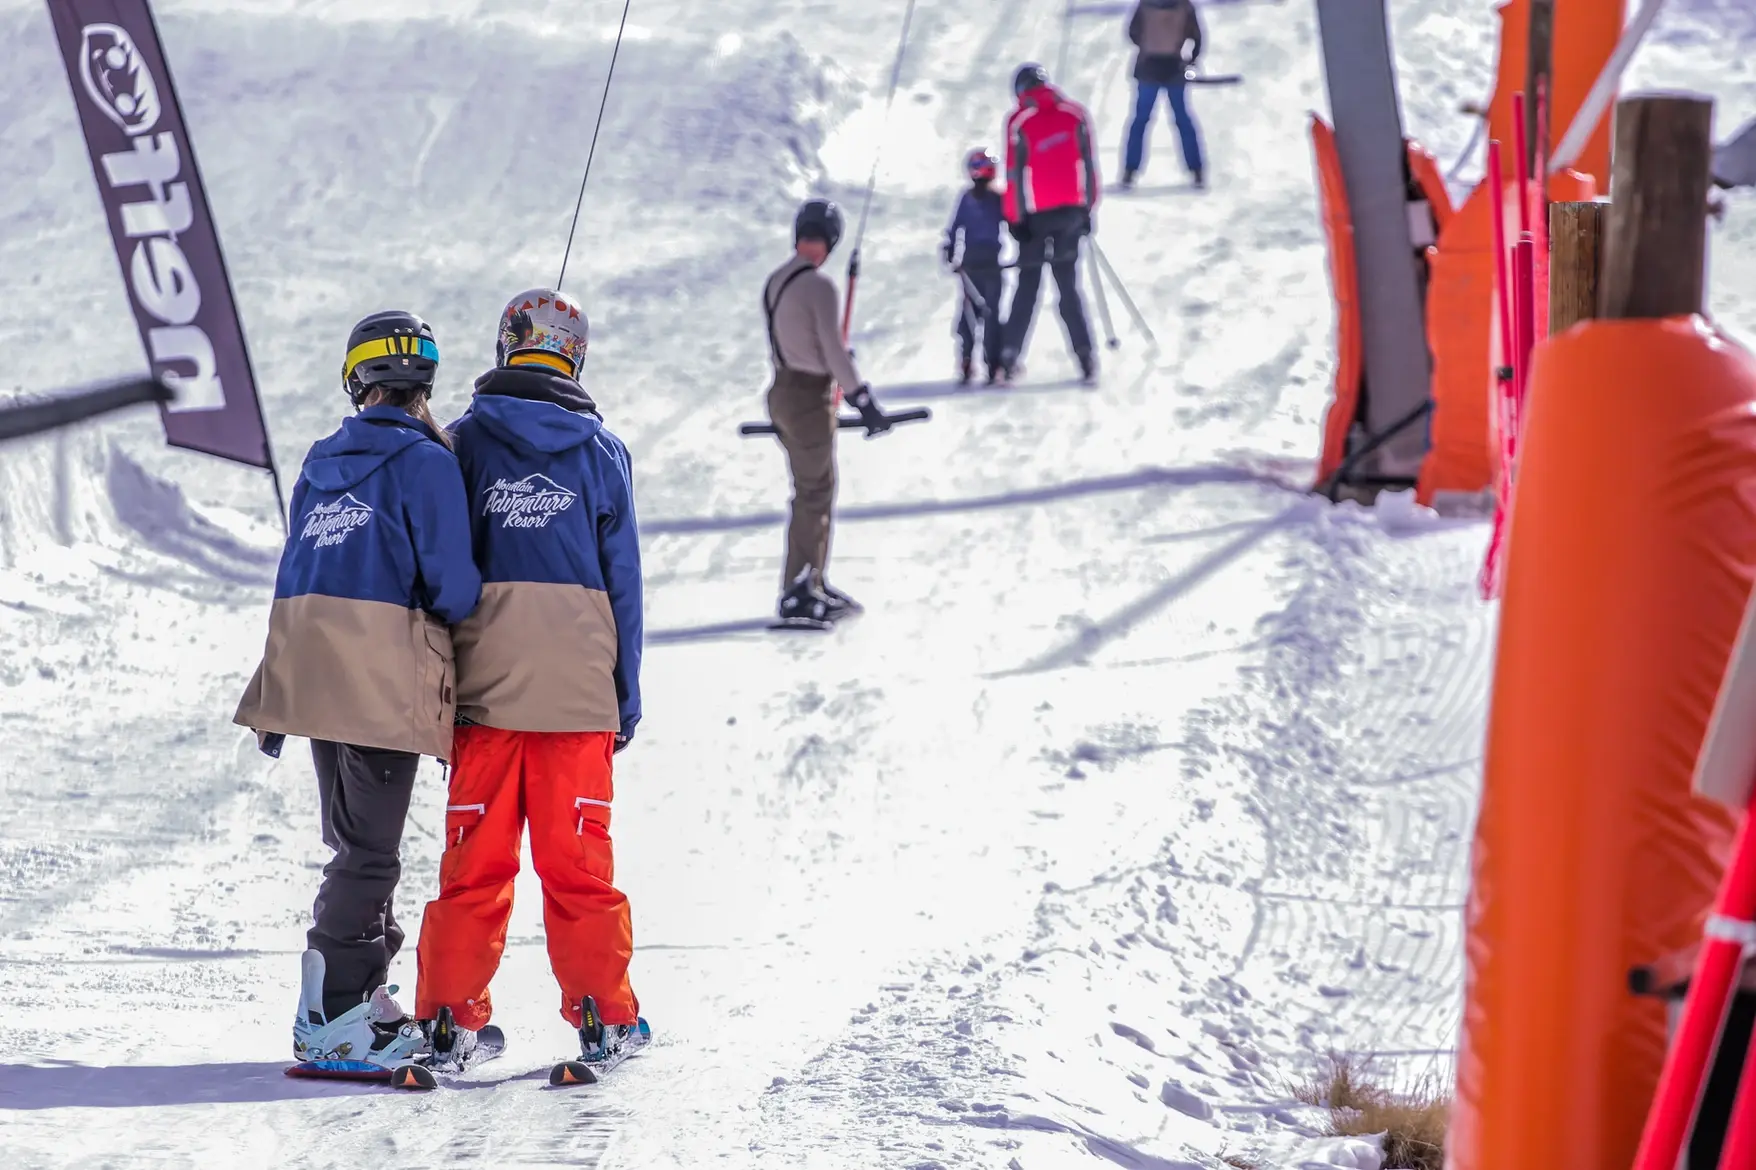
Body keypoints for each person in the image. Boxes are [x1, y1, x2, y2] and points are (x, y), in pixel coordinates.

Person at [233, 310, 480, 1071]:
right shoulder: (428, 463)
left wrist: (277, 686)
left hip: (314, 669)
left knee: (353, 842)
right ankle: (334, 1012)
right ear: (423, 382)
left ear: (358, 378)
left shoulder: (319, 458)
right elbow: (455, 587)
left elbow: (295, 572)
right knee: (369, 852)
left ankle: (364, 996)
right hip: (380, 677)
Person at [413, 288, 647, 1072]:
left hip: (485, 696)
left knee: (474, 867)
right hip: (578, 698)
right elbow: (626, 588)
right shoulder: (600, 452)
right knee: (577, 867)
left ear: (508, 343)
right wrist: (626, 694)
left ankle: (448, 1021)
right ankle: (604, 1019)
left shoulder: (465, 443)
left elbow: (442, 566)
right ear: (574, 353)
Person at [760, 198, 892, 624]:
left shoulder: (777, 280)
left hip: (781, 389)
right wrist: (864, 398)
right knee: (815, 491)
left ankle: (811, 577)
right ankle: (799, 588)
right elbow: (832, 351)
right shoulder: (819, 286)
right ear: (832, 239)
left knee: (811, 487)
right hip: (808, 396)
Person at [1000, 63, 1101, 385]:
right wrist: (1088, 210)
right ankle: (1085, 356)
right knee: (1068, 286)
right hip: (1071, 212)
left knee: (1027, 288)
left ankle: (1009, 356)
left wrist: (1015, 219)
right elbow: (1089, 165)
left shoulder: (1019, 121)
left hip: (1034, 217)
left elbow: (1014, 175)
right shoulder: (1076, 114)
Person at [1122, 0, 1207, 190]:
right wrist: (1191, 59)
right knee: (1183, 119)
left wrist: (1147, 44)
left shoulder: (1145, 4)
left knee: (1140, 120)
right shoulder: (1184, 5)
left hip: (1148, 67)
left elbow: (1132, 33)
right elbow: (1198, 37)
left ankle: (1130, 171)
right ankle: (1197, 170)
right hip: (1174, 67)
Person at [942, 147, 1007, 386]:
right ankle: (983, 362)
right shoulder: (978, 199)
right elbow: (955, 227)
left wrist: (949, 247)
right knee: (981, 312)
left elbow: (954, 227)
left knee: (977, 312)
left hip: (979, 262)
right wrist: (949, 248)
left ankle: (980, 361)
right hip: (980, 263)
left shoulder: (981, 198)